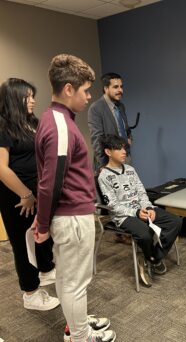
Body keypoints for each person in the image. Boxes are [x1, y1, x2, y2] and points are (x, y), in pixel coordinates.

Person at [32, 55, 116, 342]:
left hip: (69, 216)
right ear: (68, 89)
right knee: (73, 284)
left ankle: (77, 324)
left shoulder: (53, 119)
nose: (89, 96)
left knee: (70, 281)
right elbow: (49, 183)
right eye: (85, 90)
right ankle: (80, 336)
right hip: (73, 218)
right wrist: (42, 225)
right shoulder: (60, 127)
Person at [0, 78, 59, 311]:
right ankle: (31, 293)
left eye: (33, 95)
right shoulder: (3, 126)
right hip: (16, 195)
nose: (33, 100)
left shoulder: (31, 122)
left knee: (41, 233)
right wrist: (25, 194)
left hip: (36, 192)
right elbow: (1, 168)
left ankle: (45, 270)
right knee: (22, 243)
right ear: (14, 99)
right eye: (28, 96)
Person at [98, 134, 182, 287]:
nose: (124, 151)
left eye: (124, 148)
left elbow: (142, 192)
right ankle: (151, 258)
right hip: (123, 216)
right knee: (144, 233)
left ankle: (152, 258)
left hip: (142, 208)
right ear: (108, 152)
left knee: (175, 221)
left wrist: (148, 207)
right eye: (118, 148)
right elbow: (113, 205)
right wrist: (136, 213)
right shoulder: (104, 176)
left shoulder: (130, 169)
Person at [88, 72, 132, 172]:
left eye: (121, 86)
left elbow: (125, 128)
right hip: (109, 162)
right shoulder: (96, 108)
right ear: (106, 88)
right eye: (116, 87)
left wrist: (129, 138)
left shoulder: (121, 106)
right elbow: (96, 139)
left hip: (125, 157)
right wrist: (104, 164)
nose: (120, 90)